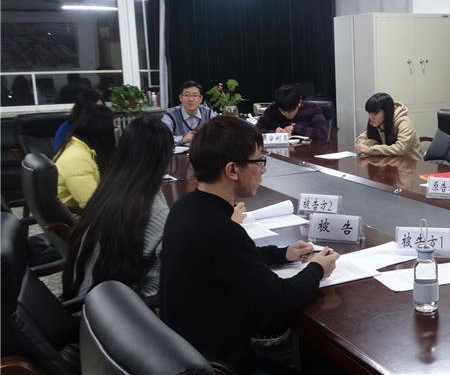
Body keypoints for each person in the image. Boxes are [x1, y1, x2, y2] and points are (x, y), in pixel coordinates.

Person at [159, 116, 339, 374]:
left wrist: (283, 254)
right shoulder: (221, 230)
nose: (263, 169)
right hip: (221, 365)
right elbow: (279, 299)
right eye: (259, 161)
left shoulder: (186, 207)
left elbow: (235, 260)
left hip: (186, 354)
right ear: (233, 170)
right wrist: (318, 268)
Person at [62, 116, 173, 300]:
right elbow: (168, 274)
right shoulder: (151, 209)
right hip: (111, 309)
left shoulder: (108, 188)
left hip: (81, 297)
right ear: (165, 158)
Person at [54, 103, 115, 211]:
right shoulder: (76, 159)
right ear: (102, 131)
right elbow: (94, 205)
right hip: (78, 217)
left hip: (78, 212)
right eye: (112, 128)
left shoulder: (76, 145)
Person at [355, 92, 423, 160]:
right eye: (369, 113)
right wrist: (374, 145)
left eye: (375, 113)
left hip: (413, 164)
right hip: (392, 163)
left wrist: (371, 150)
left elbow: (401, 148)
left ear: (387, 111)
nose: (371, 117)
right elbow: (360, 140)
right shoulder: (378, 122)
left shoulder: (404, 122)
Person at [256, 85, 328, 140]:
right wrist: (274, 132)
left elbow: (322, 133)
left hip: (308, 150)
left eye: (291, 111)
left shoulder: (312, 108)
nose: (287, 114)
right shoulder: (272, 108)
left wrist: (296, 128)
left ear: (299, 103)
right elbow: (256, 130)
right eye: (283, 111)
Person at [162, 80, 216, 145]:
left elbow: (218, 133)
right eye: (186, 95)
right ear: (180, 98)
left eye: (195, 95)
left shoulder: (208, 113)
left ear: (201, 99)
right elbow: (163, 138)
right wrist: (183, 139)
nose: (191, 99)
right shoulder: (170, 115)